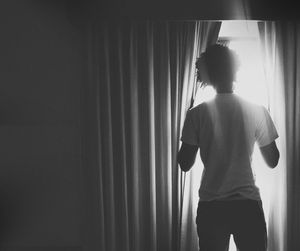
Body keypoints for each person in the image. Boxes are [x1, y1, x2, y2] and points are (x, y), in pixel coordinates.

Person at [177, 44, 279, 251]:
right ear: (235, 70)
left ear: (206, 76)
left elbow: (185, 163)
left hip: (212, 206)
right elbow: (273, 160)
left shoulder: (196, 114)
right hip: (247, 204)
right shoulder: (256, 110)